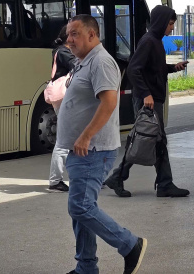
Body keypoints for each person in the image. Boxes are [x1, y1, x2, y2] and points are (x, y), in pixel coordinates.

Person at [56, 15, 146, 274]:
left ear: (92, 35)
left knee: (80, 206)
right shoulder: (84, 61)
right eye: (68, 34)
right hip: (81, 150)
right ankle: (86, 268)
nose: (68, 39)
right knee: (81, 211)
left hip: (92, 149)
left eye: (75, 34)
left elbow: (108, 103)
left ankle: (130, 245)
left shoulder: (102, 62)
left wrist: (85, 136)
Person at [104, 5, 189, 198]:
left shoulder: (156, 41)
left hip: (153, 98)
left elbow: (153, 69)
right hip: (148, 101)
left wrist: (173, 68)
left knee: (154, 140)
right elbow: (134, 69)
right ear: (160, 22)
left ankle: (160, 182)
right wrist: (145, 95)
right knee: (145, 138)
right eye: (169, 23)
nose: (172, 28)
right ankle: (122, 177)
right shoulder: (149, 41)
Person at [49, 25, 78, 192]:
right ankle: (55, 180)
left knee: (73, 137)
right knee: (64, 139)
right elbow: (76, 66)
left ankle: (81, 174)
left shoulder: (61, 51)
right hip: (64, 97)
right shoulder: (64, 52)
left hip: (63, 97)